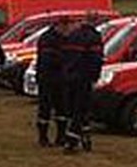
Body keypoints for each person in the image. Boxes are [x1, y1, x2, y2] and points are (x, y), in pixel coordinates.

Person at [60, 15, 104, 152]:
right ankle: (71, 141)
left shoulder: (73, 35)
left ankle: (85, 139)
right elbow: (96, 59)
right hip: (83, 77)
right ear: (95, 21)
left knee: (74, 109)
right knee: (81, 110)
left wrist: (66, 73)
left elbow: (65, 56)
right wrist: (95, 77)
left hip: (70, 77)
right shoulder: (94, 37)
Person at [34, 17, 70, 146]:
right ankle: (43, 138)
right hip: (47, 78)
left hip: (60, 78)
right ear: (58, 26)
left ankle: (61, 137)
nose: (66, 29)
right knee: (45, 108)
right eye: (64, 26)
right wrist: (65, 60)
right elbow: (48, 59)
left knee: (62, 108)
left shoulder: (65, 38)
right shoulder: (47, 38)